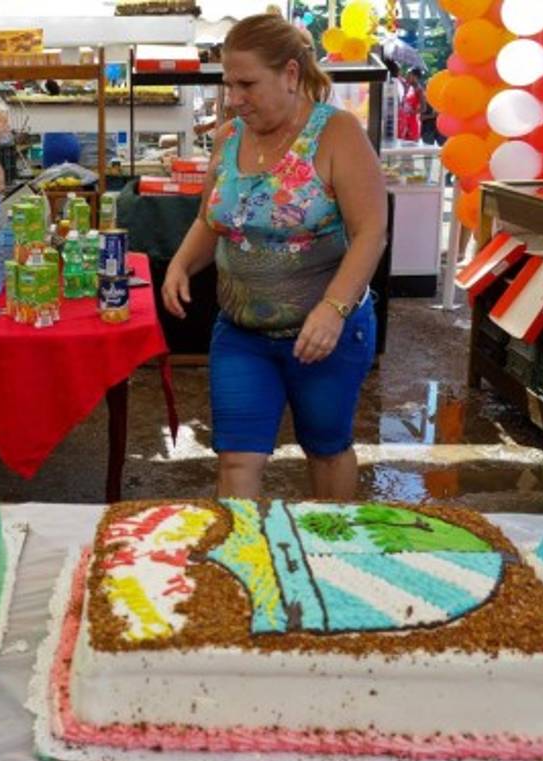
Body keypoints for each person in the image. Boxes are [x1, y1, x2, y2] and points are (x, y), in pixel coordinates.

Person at [161, 13, 387, 500]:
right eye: (228, 85)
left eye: (247, 84)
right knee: (237, 457)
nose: (234, 99)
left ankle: (331, 558)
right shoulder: (228, 138)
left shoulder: (338, 134)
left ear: (289, 73)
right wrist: (180, 264)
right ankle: (241, 564)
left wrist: (333, 309)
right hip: (242, 333)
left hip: (325, 336)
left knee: (326, 448)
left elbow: (370, 232)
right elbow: (209, 219)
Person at [398, 68, 424, 142]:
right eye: (407, 74)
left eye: (409, 75)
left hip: (413, 123)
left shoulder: (419, 90)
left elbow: (423, 108)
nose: (406, 76)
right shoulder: (408, 88)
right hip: (404, 121)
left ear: (415, 77)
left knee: (411, 147)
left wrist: (411, 112)